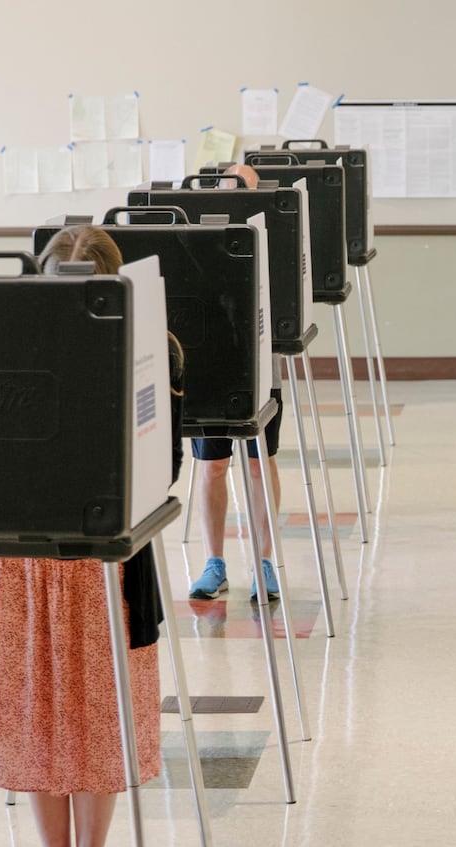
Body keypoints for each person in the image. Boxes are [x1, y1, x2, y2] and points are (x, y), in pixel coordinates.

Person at [0, 225, 183, 847]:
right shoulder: (8, 349)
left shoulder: (156, 353)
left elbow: (164, 466)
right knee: (33, 720)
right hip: (19, 563)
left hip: (101, 566)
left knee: (94, 722)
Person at [187, 161, 285, 602]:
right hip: (210, 367)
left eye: (240, 188)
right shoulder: (195, 236)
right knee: (212, 466)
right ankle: (215, 563)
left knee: (258, 463)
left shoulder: (272, 234)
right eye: (225, 186)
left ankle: (265, 562)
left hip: (262, 363)